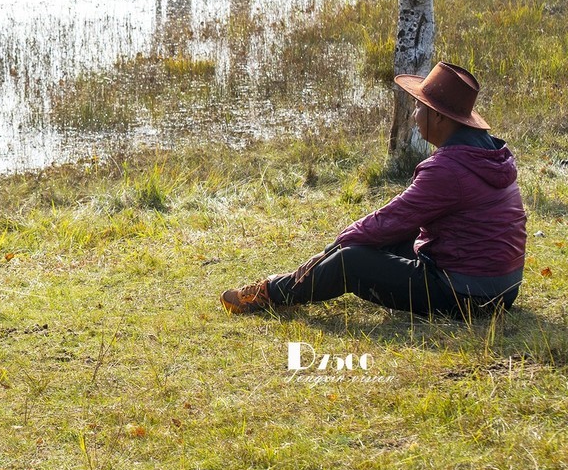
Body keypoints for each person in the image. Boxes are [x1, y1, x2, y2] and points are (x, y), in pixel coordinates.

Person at [221, 62, 526, 320]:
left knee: (351, 260)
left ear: (440, 117)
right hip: (501, 289)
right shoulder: (490, 154)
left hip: (466, 296)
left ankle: (271, 293)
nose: (414, 115)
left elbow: (390, 220)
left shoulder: (448, 168)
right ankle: (293, 283)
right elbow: (399, 225)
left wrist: (336, 247)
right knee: (384, 240)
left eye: (419, 107)